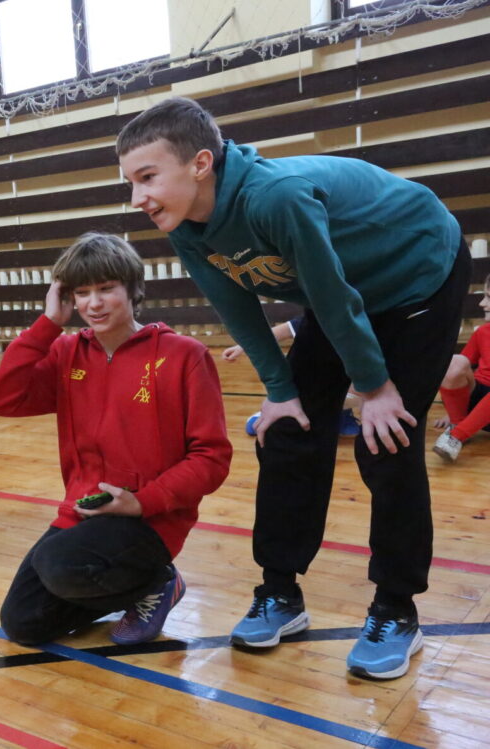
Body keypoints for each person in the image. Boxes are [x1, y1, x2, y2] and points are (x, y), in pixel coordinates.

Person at [117, 97, 470, 680]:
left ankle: (396, 609)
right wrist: (280, 389)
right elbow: (237, 308)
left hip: (418, 275)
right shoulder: (185, 224)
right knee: (287, 430)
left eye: (148, 177)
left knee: (387, 441)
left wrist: (374, 386)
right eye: (130, 182)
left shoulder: (275, 197)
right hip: (343, 296)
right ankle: (279, 592)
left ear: (200, 164)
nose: (137, 197)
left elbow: (331, 297)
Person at [0, 233, 231, 646]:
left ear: (133, 290)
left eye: (106, 289)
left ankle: (157, 582)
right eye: (82, 293)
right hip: (86, 511)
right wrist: (48, 325)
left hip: (151, 518)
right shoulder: (66, 353)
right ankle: (136, 587)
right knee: (22, 622)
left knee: (58, 563)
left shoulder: (184, 355)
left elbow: (211, 458)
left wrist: (142, 502)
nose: (93, 304)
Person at [227, 318, 360, 438]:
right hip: (313, 379)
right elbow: (284, 330)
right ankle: (275, 414)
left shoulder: (365, 322)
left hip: (348, 379)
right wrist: (244, 346)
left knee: (360, 385)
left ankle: (341, 415)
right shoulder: (323, 317)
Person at [433, 274, 490, 462]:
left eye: (489, 297)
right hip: (477, 400)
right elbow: (454, 371)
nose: (482, 303)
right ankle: (458, 424)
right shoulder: (482, 332)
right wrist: (452, 410)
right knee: (455, 361)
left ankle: (456, 436)